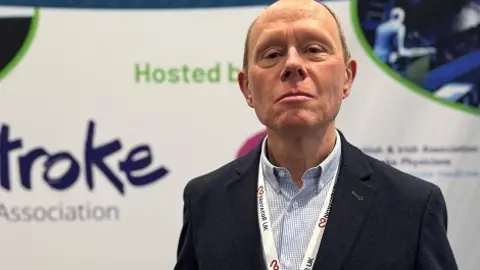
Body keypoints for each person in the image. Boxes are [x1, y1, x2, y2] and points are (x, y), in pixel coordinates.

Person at [174, 0, 458, 269]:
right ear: (247, 87)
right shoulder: (205, 202)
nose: (293, 65)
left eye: (313, 50)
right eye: (272, 54)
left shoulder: (412, 207)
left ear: (347, 77)